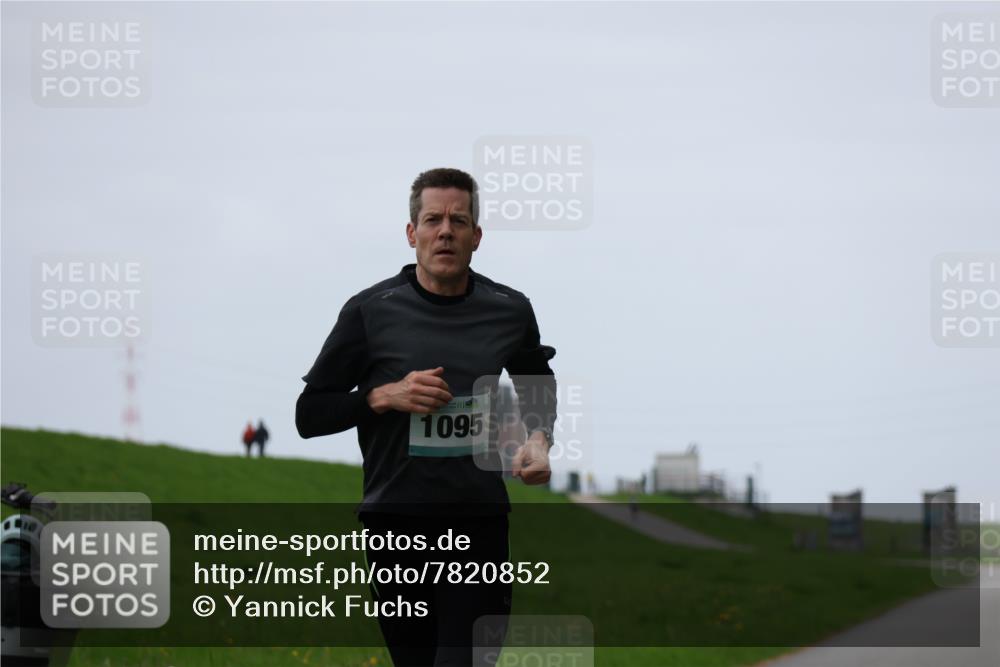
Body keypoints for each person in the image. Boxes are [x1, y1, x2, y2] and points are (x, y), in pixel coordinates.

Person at [295, 167, 557, 667]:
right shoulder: (370, 311)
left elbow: (535, 381)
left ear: (476, 237)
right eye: (433, 219)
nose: (445, 231)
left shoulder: (509, 309)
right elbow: (309, 415)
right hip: (396, 526)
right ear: (411, 233)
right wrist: (381, 397)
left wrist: (539, 439)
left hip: (477, 525)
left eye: (459, 221)